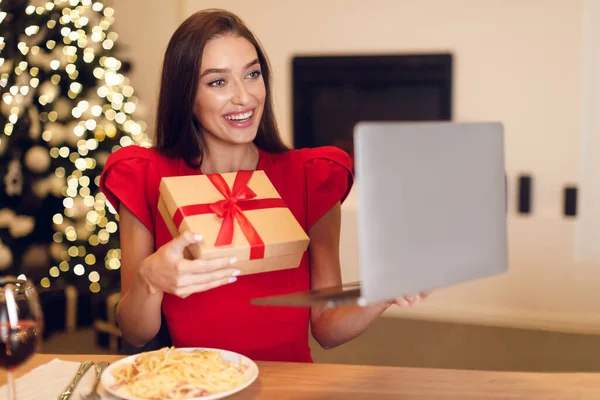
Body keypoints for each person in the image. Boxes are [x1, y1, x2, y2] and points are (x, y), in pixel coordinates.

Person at [100, 8, 428, 362]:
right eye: (217, 82)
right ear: (186, 95)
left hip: (289, 384)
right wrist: (150, 280)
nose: (245, 97)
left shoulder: (310, 177)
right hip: (196, 383)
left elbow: (327, 326)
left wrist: (385, 291)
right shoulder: (146, 176)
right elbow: (135, 331)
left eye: (252, 74)